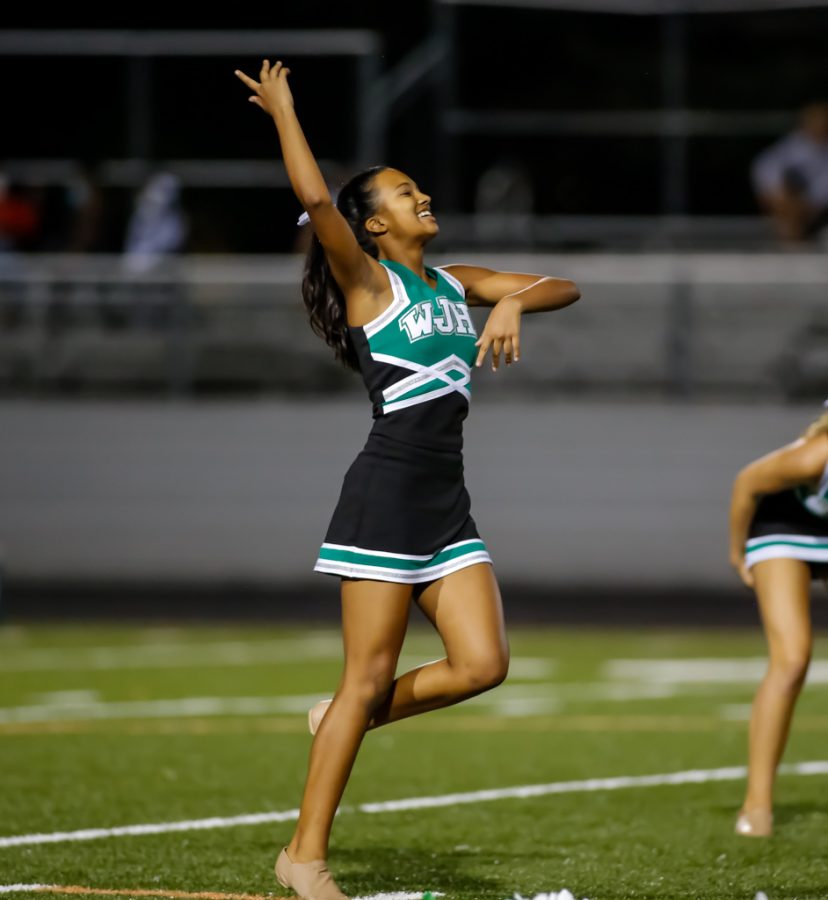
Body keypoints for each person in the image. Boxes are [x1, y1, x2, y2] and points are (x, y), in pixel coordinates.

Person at [234, 59, 580, 900]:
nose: (419, 197)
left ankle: (347, 714)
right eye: (402, 193)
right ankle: (304, 856)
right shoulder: (369, 281)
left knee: (484, 663)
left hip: (445, 503)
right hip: (386, 496)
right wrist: (284, 111)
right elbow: (319, 202)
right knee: (364, 675)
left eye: (417, 187)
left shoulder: (456, 283)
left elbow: (566, 287)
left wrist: (509, 302)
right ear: (374, 227)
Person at [729, 406, 828, 837]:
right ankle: (757, 806)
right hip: (783, 529)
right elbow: (747, 484)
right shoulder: (812, 458)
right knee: (792, 659)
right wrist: (738, 553)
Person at [751, 102, 828, 245]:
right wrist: (778, 195)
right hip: (786, 202)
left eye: (823, 124)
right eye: (815, 123)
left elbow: (822, 190)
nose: (819, 128)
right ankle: (790, 238)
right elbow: (765, 167)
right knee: (788, 208)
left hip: (815, 209)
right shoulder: (790, 146)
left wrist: (807, 203)